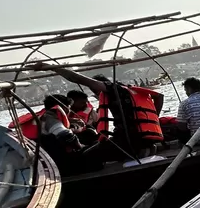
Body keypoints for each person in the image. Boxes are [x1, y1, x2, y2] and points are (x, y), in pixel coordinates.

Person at [31, 64, 165, 158]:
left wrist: (51, 67)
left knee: (85, 156)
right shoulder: (127, 90)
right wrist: (154, 119)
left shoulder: (112, 90)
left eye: (96, 92)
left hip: (128, 143)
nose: (96, 96)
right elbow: (159, 96)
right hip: (144, 139)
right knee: (94, 142)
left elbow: (77, 79)